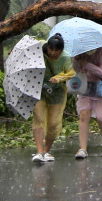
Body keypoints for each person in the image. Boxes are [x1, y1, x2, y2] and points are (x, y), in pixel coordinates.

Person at [32, 33, 74, 163]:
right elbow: (27, 50)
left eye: (57, 51)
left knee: (53, 124)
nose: (53, 53)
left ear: (61, 50)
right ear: (47, 47)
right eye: (51, 49)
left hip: (57, 93)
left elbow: (71, 72)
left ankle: (46, 150)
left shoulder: (65, 58)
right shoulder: (39, 50)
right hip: (39, 90)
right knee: (38, 118)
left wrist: (59, 78)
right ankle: (39, 152)